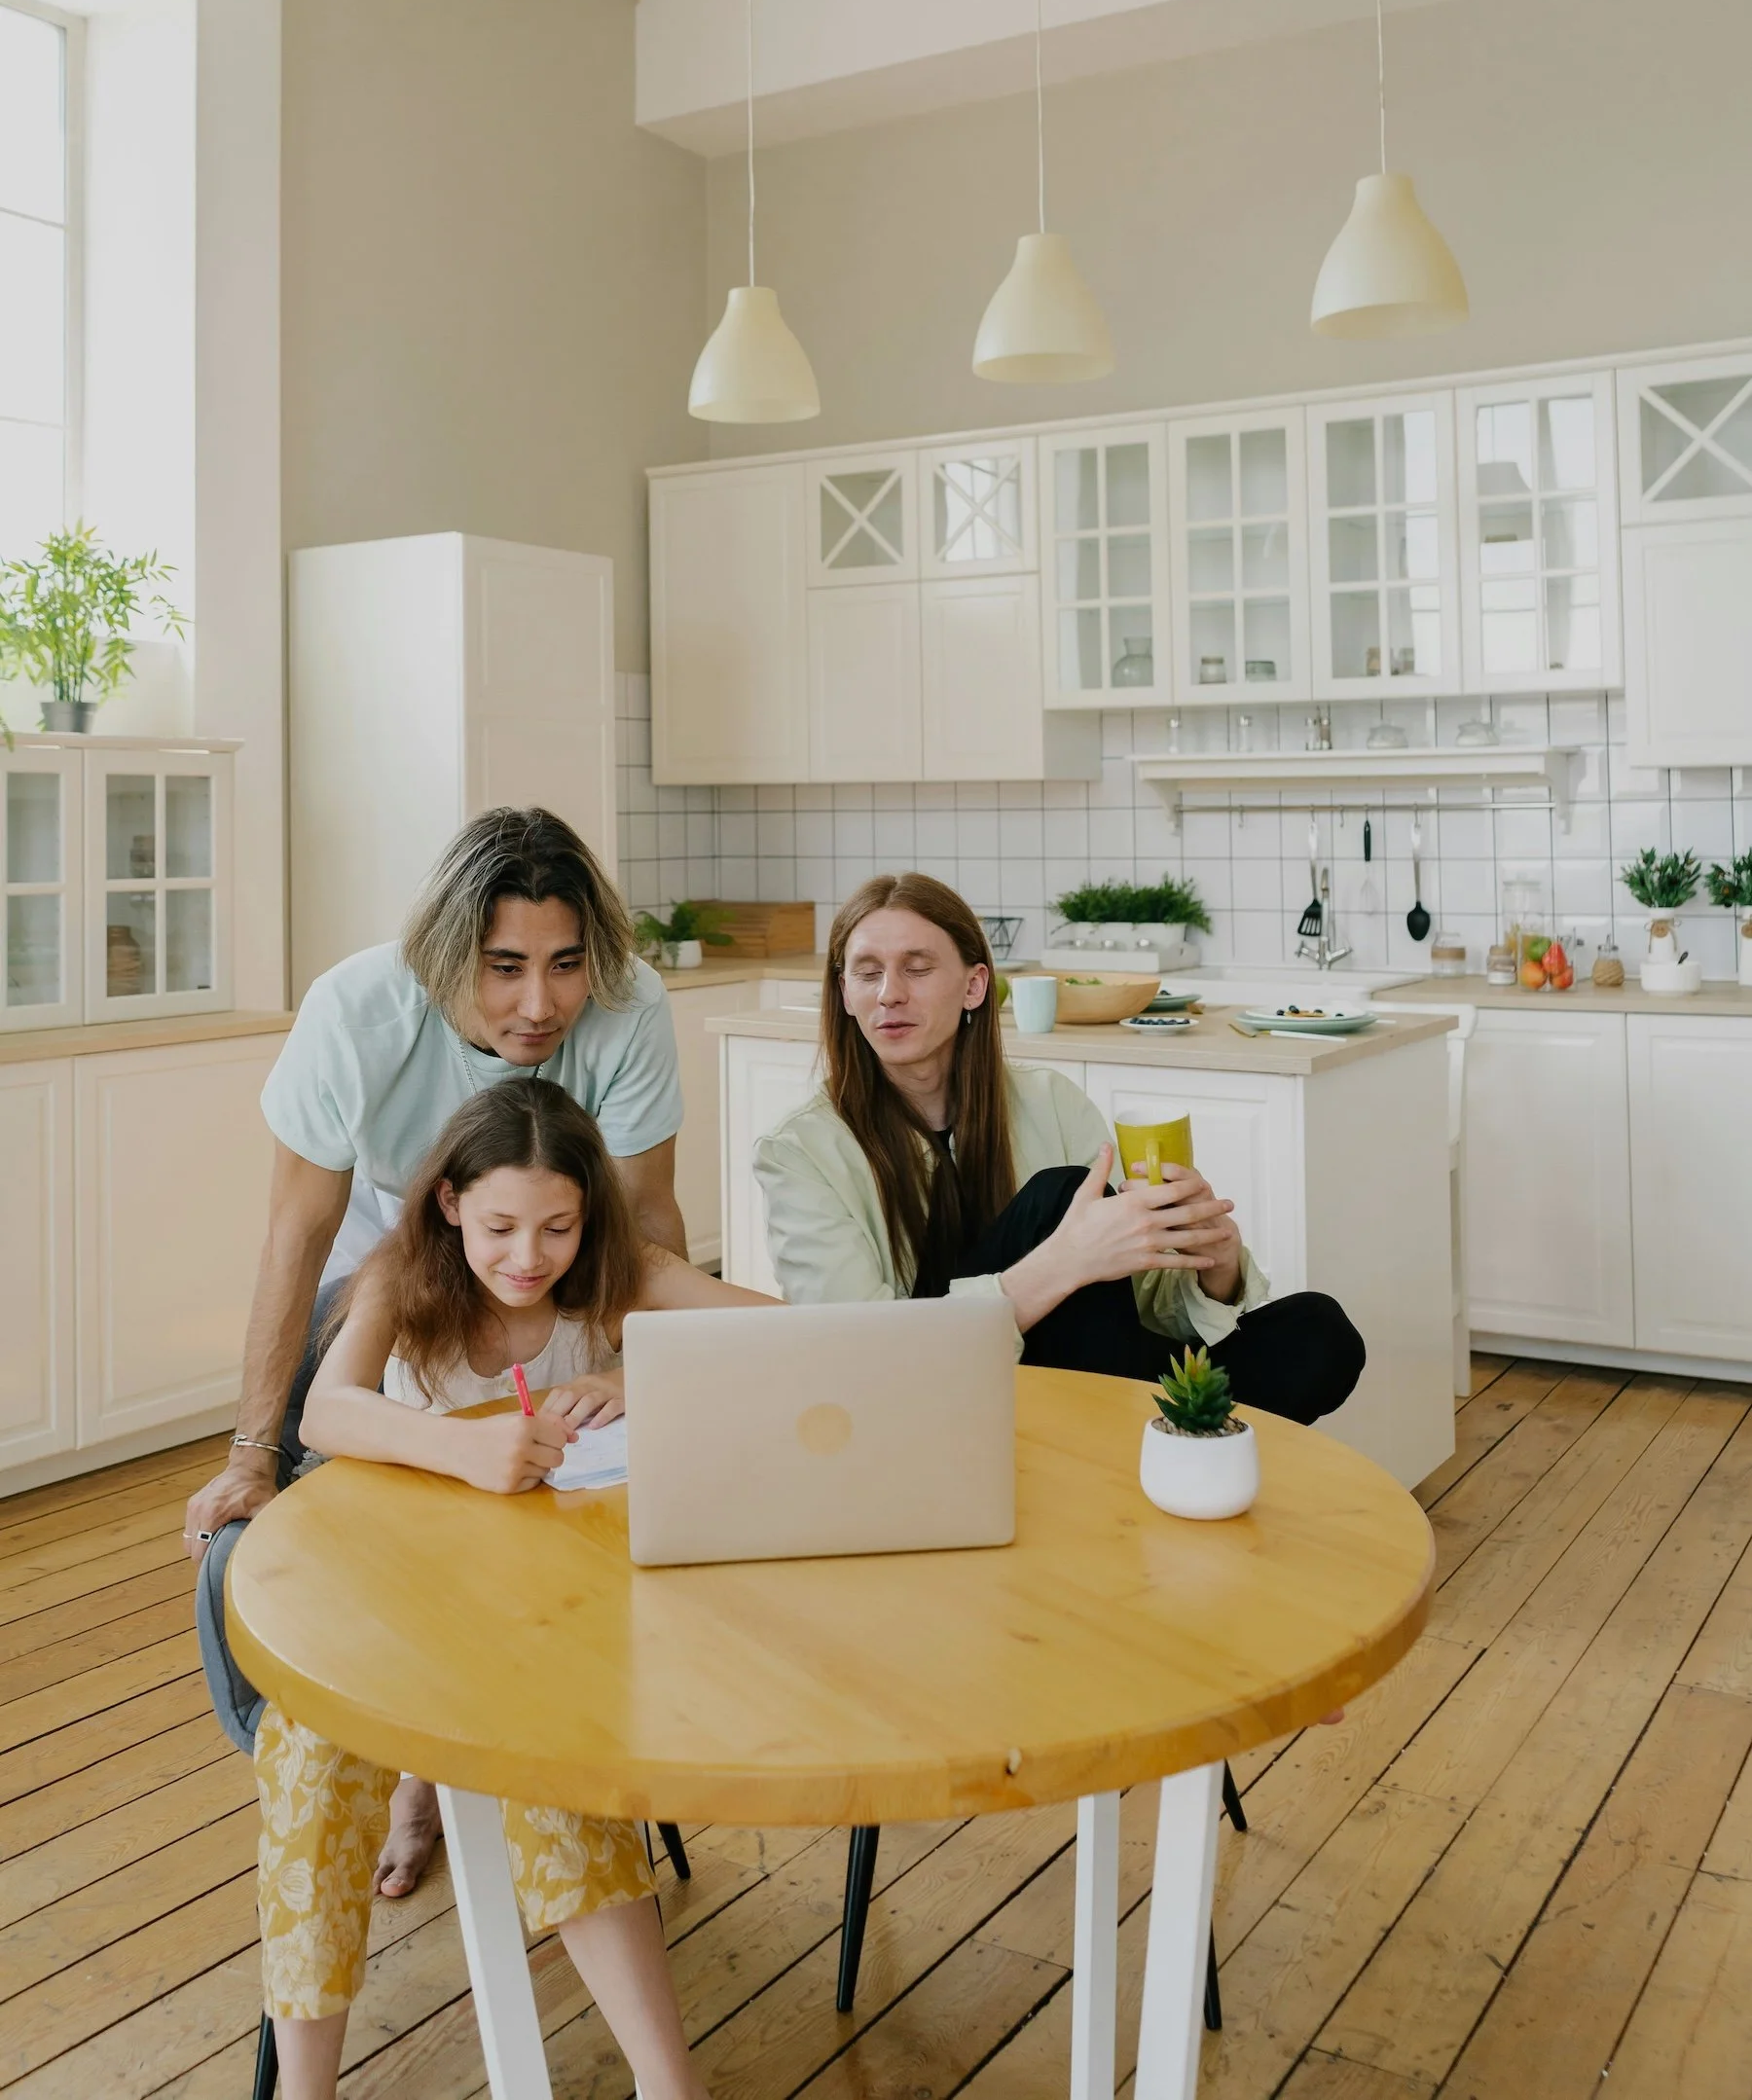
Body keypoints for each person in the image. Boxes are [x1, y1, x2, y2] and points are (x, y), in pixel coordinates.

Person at [187, 805, 688, 1897]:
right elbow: (297, 1229)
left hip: (557, 1280)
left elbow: (648, 1220)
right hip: (386, 1278)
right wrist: (245, 1449)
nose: (541, 1002)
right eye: (506, 966)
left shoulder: (628, 1002)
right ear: (443, 955)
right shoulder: (355, 1010)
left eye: (565, 964)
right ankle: (382, 1748)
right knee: (291, 1510)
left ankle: (457, 1741)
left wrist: (642, 1374)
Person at [258, 1076, 764, 2100]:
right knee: (309, 1765)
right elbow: (327, 1413)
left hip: (555, 1616)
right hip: (397, 1602)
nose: (528, 1256)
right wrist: (460, 1445)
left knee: (552, 1764)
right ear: (450, 1202)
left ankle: (672, 2085)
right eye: (499, 1225)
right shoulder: (404, 1273)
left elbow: (786, 1337)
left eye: (557, 1226)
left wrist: (636, 1376)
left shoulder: (621, 1276)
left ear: (590, 1214)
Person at [752, 873, 1365, 1422]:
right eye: (866, 972)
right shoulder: (800, 1150)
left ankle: (1134, 1445)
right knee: (1059, 1196)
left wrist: (1215, 1264)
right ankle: (1152, 1448)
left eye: (916, 968)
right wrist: (1065, 1260)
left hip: (1090, 1365)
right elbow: (862, 1352)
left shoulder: (1051, 1100)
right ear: (844, 993)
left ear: (974, 986)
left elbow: (1144, 1302)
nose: (889, 993)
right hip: (931, 1388)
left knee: (1318, 1330)